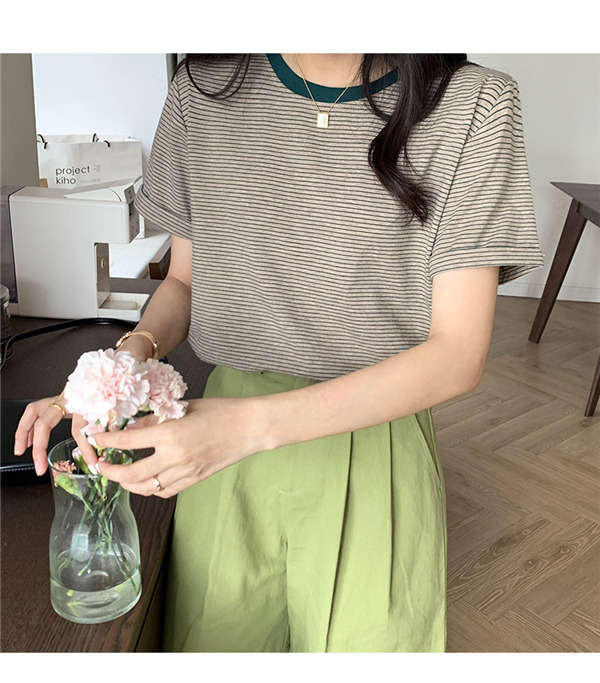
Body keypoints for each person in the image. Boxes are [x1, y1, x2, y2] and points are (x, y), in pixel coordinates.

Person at [14, 53, 544, 653]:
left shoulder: (474, 105)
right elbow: (184, 283)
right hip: (217, 452)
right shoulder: (201, 92)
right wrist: (115, 370)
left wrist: (245, 430)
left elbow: (458, 353)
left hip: (374, 442)